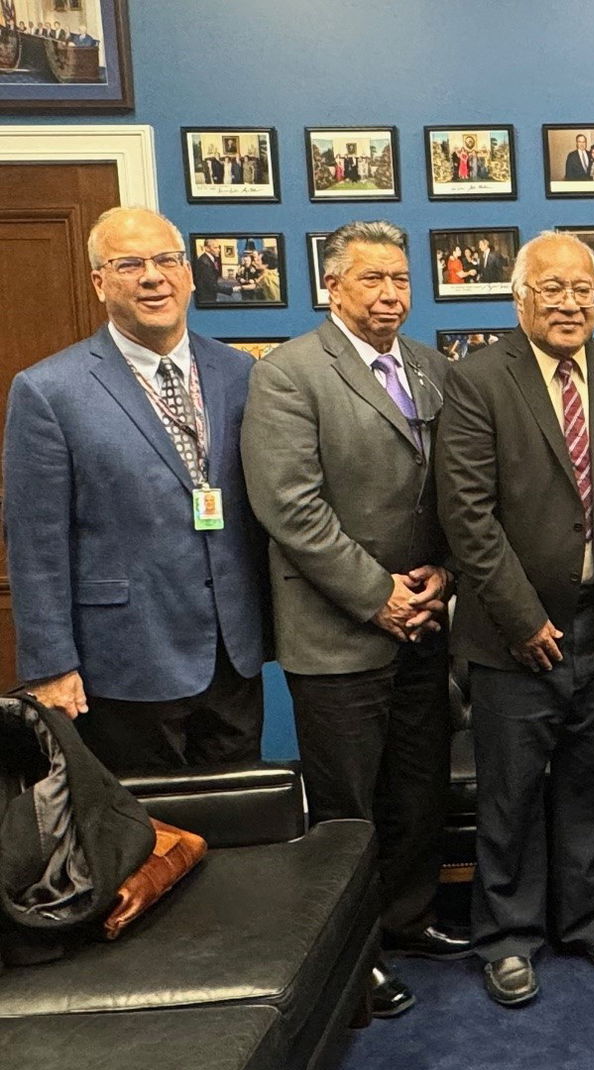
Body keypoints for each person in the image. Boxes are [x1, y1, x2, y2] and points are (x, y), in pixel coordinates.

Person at [242, 219, 467, 1020]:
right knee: (348, 806)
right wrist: (380, 595)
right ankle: (352, 954)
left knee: (416, 787)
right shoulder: (290, 374)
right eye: (371, 279)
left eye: (400, 279)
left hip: (425, 621)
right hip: (338, 631)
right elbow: (290, 506)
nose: (390, 294)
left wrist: (441, 570)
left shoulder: (432, 368)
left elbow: (452, 488)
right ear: (330, 286)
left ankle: (407, 919)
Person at [435, 233, 594, 1008]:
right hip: (513, 631)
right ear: (520, 297)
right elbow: (467, 516)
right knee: (509, 791)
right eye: (553, 289)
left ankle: (586, 917)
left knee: (588, 782)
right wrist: (523, 617)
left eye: (583, 290)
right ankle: (505, 935)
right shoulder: (476, 378)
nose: (570, 304)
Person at [4, 206, 266, 773]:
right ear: (100, 282)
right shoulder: (49, 390)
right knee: (149, 843)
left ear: (190, 274)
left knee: (242, 834)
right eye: (130, 264)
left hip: (233, 654)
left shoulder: (239, 373)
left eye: (167, 260)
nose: (153, 277)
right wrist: (50, 666)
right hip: (123, 660)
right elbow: (35, 542)